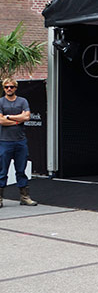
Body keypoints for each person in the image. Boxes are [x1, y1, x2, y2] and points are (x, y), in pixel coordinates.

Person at [0, 78, 38, 208]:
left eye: (11, 86)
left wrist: (9, 117)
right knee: (2, 171)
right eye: (6, 87)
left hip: (20, 141)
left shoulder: (22, 101)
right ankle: (0, 198)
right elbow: (1, 121)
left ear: (16, 88)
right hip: (5, 142)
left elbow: (27, 117)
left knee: (21, 170)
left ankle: (24, 197)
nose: (9, 89)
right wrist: (18, 119)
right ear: (3, 88)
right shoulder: (1, 102)